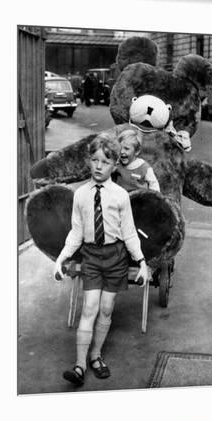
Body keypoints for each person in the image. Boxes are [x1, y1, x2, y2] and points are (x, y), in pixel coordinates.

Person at [54, 133, 148, 387]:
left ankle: (96, 356)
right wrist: (61, 258)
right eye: (94, 160)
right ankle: (80, 365)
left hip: (116, 256)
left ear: (114, 165)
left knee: (106, 309)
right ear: (89, 161)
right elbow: (76, 231)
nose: (98, 166)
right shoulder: (81, 195)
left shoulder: (120, 196)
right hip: (92, 256)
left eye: (105, 162)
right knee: (89, 308)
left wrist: (140, 262)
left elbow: (128, 232)